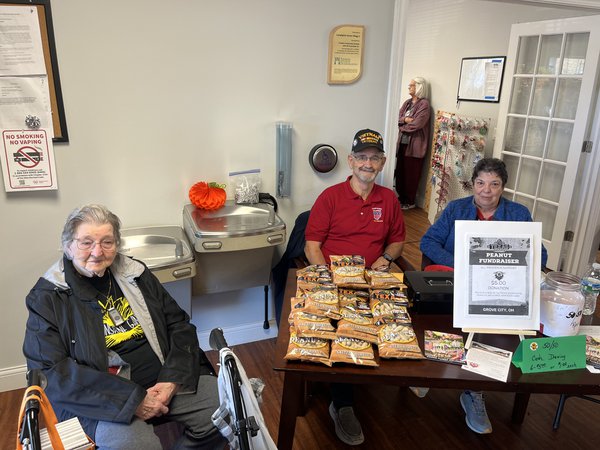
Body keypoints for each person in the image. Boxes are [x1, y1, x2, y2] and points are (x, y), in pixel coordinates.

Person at [23, 204, 226, 450]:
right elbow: (51, 372)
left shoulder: (135, 273)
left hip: (163, 380)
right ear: (68, 246)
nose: (97, 252)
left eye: (107, 242)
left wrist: (172, 380)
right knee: (134, 444)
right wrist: (133, 401)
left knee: (228, 411)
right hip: (102, 397)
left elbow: (179, 325)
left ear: (117, 244)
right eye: (86, 242)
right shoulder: (47, 296)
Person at [419, 158, 548, 435]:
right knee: (444, 323)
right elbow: (428, 241)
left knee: (495, 331)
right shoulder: (456, 208)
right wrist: (461, 264)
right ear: (473, 183)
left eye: (494, 184)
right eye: (480, 183)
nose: (486, 191)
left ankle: (473, 391)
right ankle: (433, 368)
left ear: (503, 187)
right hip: (460, 281)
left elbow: (541, 253)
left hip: (499, 290)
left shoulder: (519, 213)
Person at [305, 129, 406, 445]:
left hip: (373, 280)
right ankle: (343, 404)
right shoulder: (330, 197)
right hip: (335, 280)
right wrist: (327, 280)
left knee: (401, 320)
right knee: (347, 327)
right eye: (361, 157)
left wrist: (387, 258)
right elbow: (312, 246)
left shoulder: (388, 199)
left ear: (382, 162)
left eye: (374, 158)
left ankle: (400, 374)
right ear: (350, 161)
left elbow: (398, 239)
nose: (368, 163)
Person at [395, 77, 431, 210]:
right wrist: (405, 119)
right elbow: (397, 118)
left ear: (419, 87)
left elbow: (418, 123)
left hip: (415, 146)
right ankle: (400, 198)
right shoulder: (407, 103)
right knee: (400, 172)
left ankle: (409, 201)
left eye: (412, 85)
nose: (409, 87)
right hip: (402, 144)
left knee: (411, 174)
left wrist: (402, 126)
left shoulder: (424, 105)